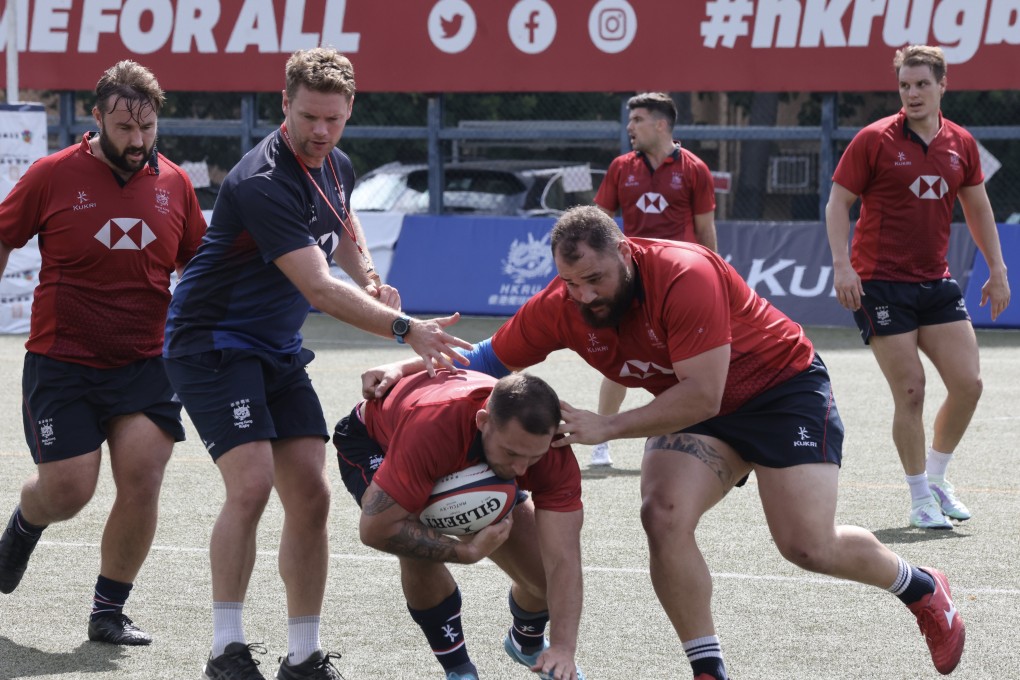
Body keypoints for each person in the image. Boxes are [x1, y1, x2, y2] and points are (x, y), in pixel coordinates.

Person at [363, 206, 967, 678]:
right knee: (662, 514)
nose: (585, 295)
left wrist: (608, 427)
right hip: (693, 408)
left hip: (777, 392)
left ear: (624, 253)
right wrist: (404, 373)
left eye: (595, 278)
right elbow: (485, 360)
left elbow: (704, 394)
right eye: (570, 283)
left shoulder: (684, 273)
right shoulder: (562, 305)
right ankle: (707, 669)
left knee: (807, 545)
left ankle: (920, 586)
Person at [162, 47, 472, 680]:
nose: (320, 131)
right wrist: (403, 327)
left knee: (311, 496)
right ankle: (226, 650)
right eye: (308, 117)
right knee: (249, 487)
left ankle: (302, 658)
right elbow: (321, 291)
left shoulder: (337, 164)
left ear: (350, 110)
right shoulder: (262, 181)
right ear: (284, 106)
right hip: (212, 343)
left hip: (274, 348)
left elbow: (344, 222)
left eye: (333, 119)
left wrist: (374, 278)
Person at [0, 61, 206, 644]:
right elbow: (4, 233)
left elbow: (196, 263)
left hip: (145, 362)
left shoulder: (176, 184)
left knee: (142, 477)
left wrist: (200, 328)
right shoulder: (51, 174)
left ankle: (108, 612)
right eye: (124, 128)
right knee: (68, 490)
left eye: (147, 128)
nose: (137, 141)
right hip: (62, 360)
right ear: (97, 120)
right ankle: (22, 527)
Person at [825, 45, 1010, 530]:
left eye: (922, 84)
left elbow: (978, 208)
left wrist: (998, 269)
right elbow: (837, 203)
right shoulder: (873, 139)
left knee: (969, 385)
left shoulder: (962, 143)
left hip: (935, 281)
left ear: (942, 85)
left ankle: (938, 477)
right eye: (905, 85)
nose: (912, 94)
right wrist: (843, 267)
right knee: (910, 389)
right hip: (880, 284)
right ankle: (918, 498)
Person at [334, 371, 586, 680]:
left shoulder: (553, 454)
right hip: (378, 442)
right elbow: (376, 530)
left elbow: (564, 558)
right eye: (511, 453)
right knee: (411, 532)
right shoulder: (434, 428)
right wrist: (464, 551)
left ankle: (526, 640)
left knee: (544, 575)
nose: (520, 469)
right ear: (483, 422)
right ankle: (459, 670)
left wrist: (563, 647)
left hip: (460, 453)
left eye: (534, 456)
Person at [589, 91, 718, 467]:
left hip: (682, 284)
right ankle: (602, 441)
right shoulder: (620, 168)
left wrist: (715, 276)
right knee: (622, 361)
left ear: (661, 124)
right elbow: (598, 223)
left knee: (686, 366)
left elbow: (706, 232)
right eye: (630, 121)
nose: (629, 127)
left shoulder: (695, 169)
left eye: (638, 120)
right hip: (632, 281)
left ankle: (689, 443)